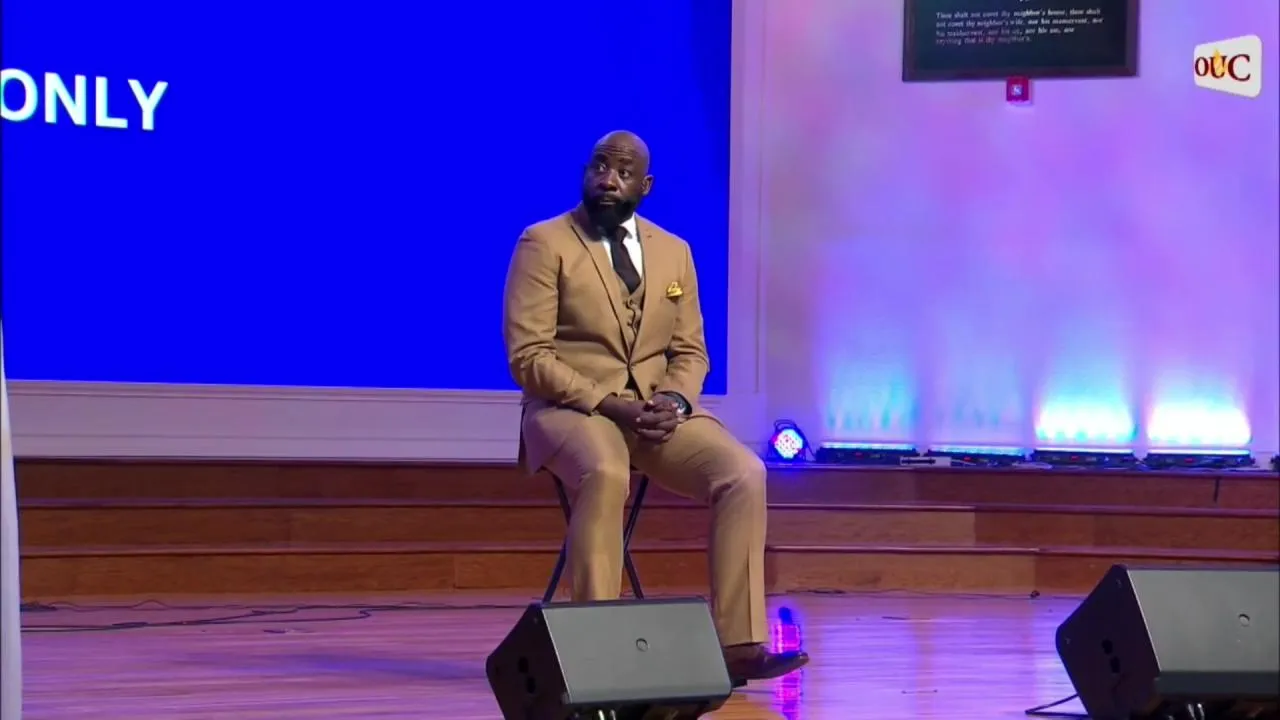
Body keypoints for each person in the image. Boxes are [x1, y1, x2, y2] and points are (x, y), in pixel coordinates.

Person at [502, 130, 809, 684]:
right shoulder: (544, 243)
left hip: (653, 414)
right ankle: (595, 648)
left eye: (623, 173)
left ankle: (738, 645)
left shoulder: (674, 252)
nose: (608, 179)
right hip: (570, 410)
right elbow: (530, 357)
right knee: (605, 470)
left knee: (743, 472)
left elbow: (690, 352)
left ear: (645, 186)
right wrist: (609, 404)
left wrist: (673, 399)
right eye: (599, 167)